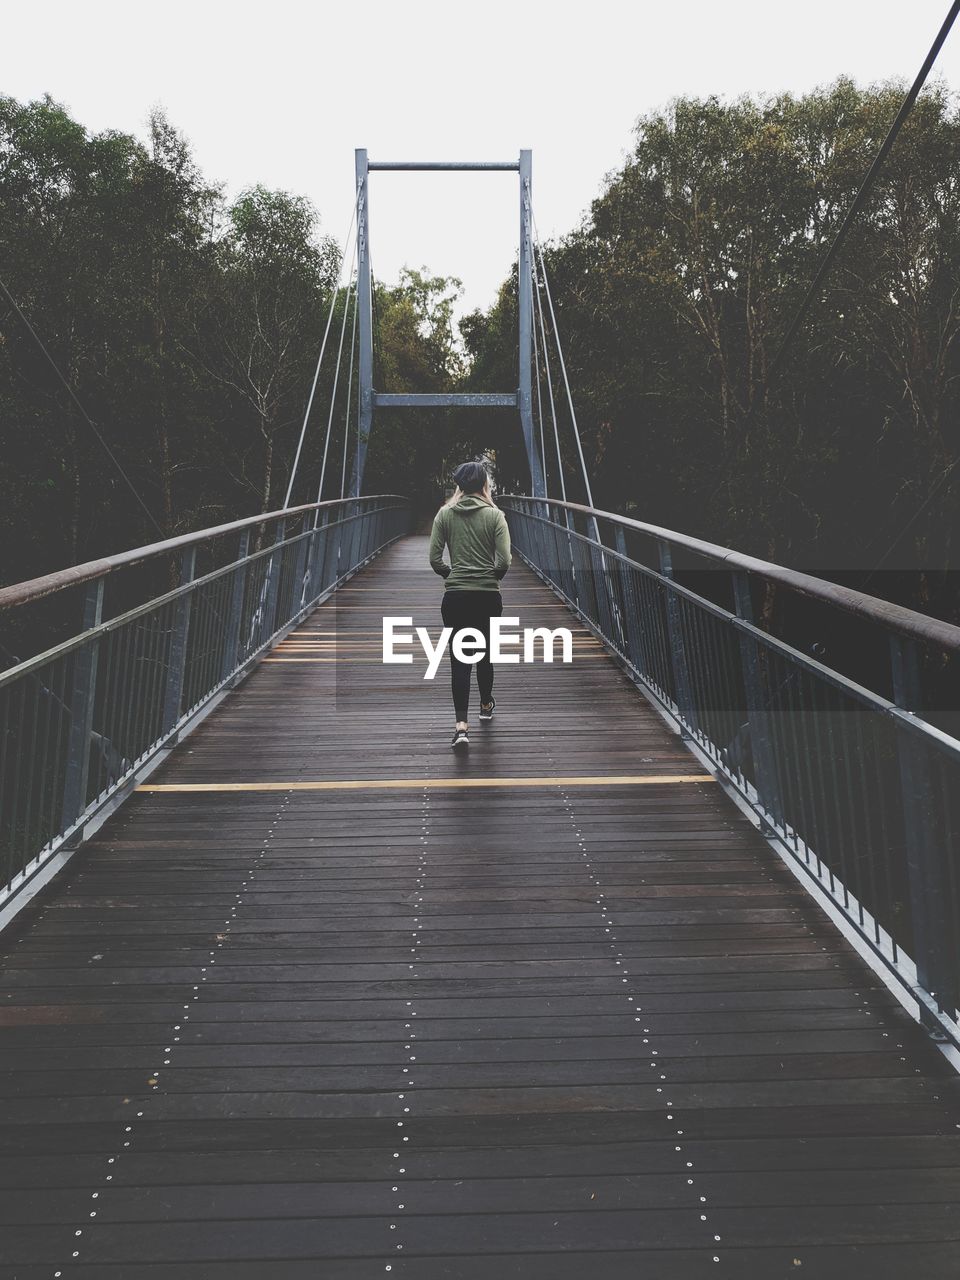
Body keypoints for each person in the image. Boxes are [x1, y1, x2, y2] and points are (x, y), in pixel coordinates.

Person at [429, 461, 511, 748]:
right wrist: (492, 578)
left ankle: (461, 728)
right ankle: (486, 705)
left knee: (460, 661)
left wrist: (450, 575)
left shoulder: (444, 515)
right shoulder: (495, 516)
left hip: (456, 597)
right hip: (487, 596)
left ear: (459, 486)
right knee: (486, 655)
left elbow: (435, 559)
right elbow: (504, 561)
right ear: (485, 485)